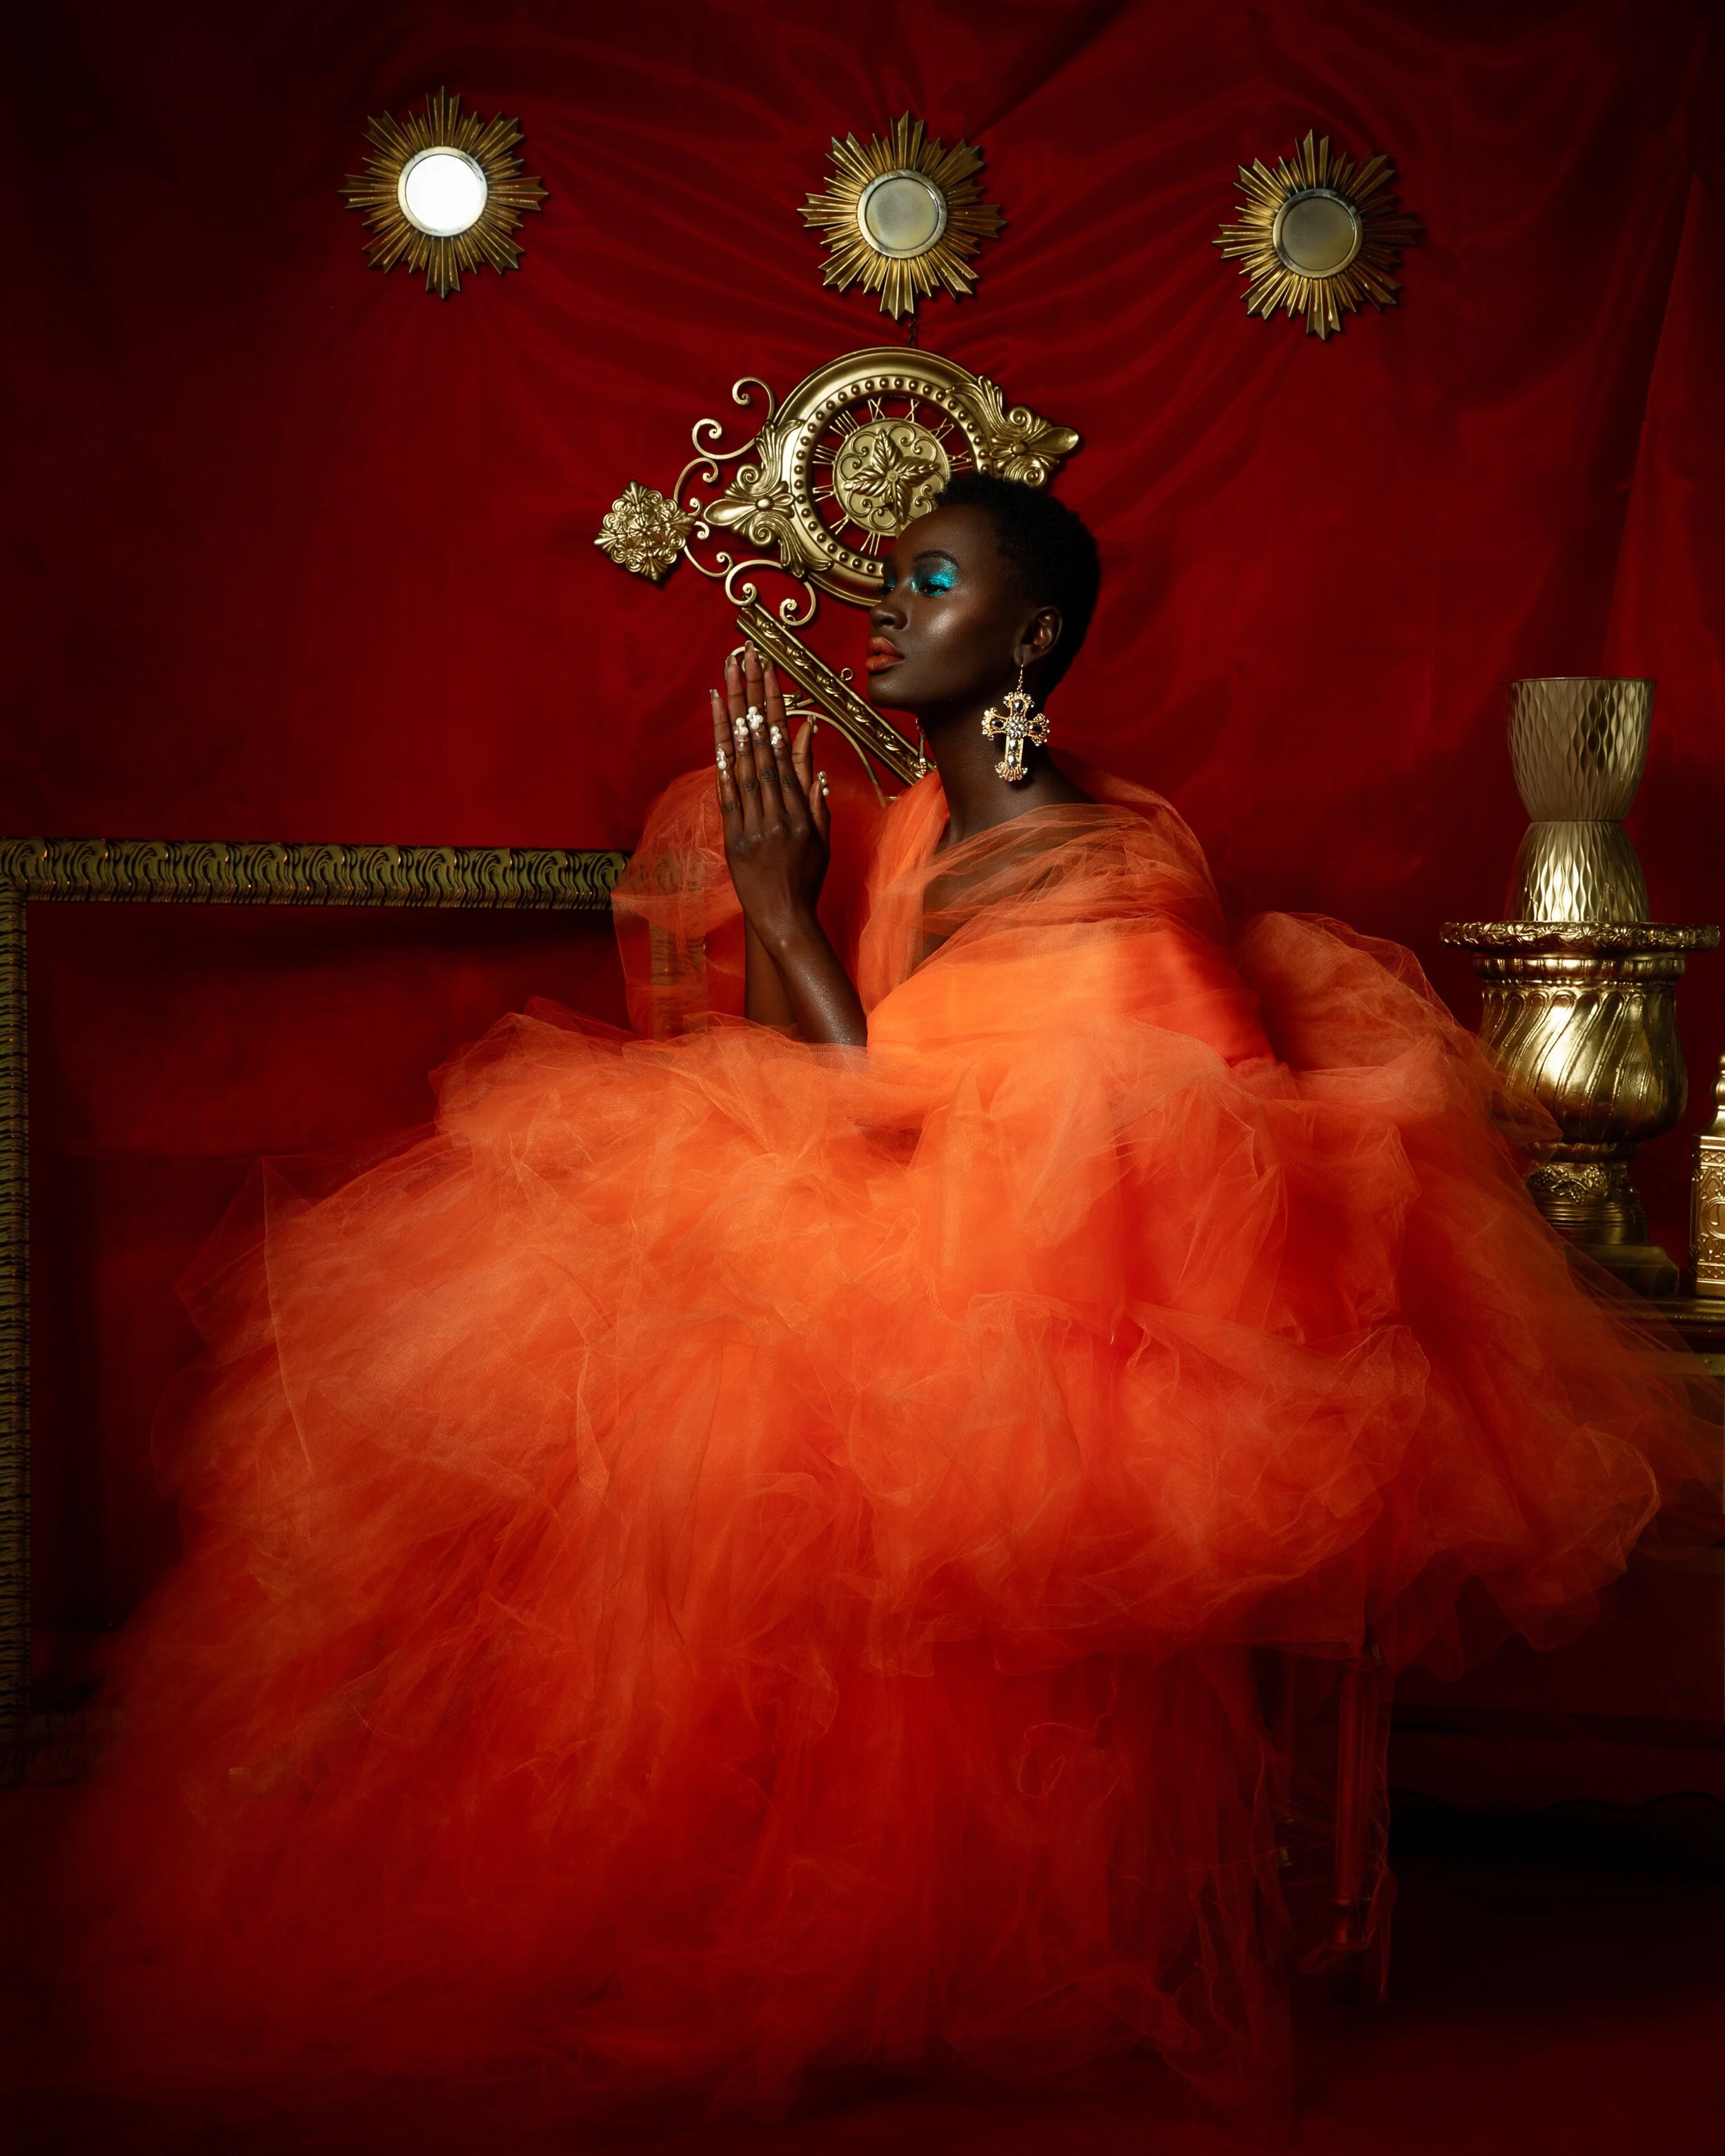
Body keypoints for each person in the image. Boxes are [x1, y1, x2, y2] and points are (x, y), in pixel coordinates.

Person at [54, 474, 1708, 2126]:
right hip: (892, 1238)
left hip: (1069, 1323)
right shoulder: (924, 826)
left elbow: (1159, 1143)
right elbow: (816, 1087)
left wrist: (783, 909)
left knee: (709, 1398)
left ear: (1028, 636)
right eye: (891, 577)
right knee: (572, 1376)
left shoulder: (1099, 859)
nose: (882, 609)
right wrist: (783, 894)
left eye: (929, 582)